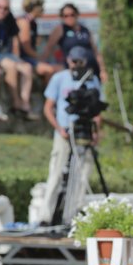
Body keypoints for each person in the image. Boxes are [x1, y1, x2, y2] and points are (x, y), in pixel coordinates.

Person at [40, 46, 104, 225]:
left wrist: (95, 131)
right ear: (68, 60)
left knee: (82, 175)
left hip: (84, 132)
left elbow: (96, 110)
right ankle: (45, 217)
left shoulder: (92, 80)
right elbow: (48, 107)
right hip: (64, 132)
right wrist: (59, 128)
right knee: (56, 173)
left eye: (80, 62)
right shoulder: (59, 78)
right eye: (73, 61)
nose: (76, 65)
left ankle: (74, 215)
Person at [0, 0, 38, 120]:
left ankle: (25, 104)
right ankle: (16, 102)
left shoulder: (9, 18)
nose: (2, 11)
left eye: (5, 8)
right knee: (11, 66)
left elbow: (14, 39)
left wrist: (17, 57)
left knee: (27, 67)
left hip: (4, 52)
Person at [43, 3, 106, 82]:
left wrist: (102, 70)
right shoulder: (60, 29)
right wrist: (41, 63)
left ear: (76, 14)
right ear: (62, 17)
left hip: (91, 68)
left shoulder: (85, 30)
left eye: (72, 14)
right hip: (72, 70)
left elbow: (96, 51)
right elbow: (48, 48)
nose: (69, 17)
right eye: (65, 16)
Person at [17, 0, 58, 85]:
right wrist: (39, 57)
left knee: (58, 68)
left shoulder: (33, 23)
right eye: (41, 7)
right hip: (23, 58)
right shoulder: (24, 22)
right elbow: (26, 48)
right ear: (35, 8)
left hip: (30, 57)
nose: (43, 9)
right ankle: (49, 94)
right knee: (49, 70)